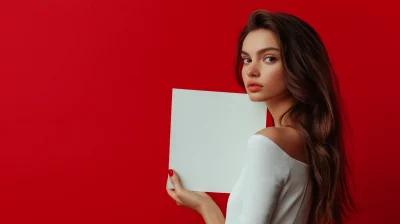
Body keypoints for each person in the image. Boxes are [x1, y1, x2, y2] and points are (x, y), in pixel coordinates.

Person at [166, 9, 356, 224]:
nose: (251, 71)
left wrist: (205, 207)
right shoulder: (307, 140)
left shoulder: (268, 142)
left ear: (299, 66)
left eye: (269, 58)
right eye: (246, 59)